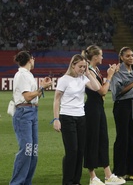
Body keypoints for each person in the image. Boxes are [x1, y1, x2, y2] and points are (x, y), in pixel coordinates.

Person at [53, 54, 101, 185]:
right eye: (80, 66)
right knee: (72, 150)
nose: (82, 69)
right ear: (72, 64)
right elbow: (57, 99)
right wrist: (56, 119)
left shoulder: (83, 78)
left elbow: (97, 88)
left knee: (80, 150)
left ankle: (76, 181)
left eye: (84, 67)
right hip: (67, 117)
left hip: (81, 117)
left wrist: (88, 73)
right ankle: (67, 181)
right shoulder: (64, 79)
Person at [82, 45, 126, 185]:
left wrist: (111, 74)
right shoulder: (87, 71)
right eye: (101, 55)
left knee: (103, 140)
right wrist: (110, 75)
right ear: (95, 57)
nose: (102, 57)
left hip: (98, 108)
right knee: (92, 141)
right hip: (91, 109)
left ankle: (108, 175)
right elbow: (102, 91)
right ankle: (93, 177)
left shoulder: (94, 70)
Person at [10, 51, 52, 185]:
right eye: (33, 58)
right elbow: (28, 96)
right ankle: (17, 183)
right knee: (27, 149)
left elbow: (33, 97)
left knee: (32, 150)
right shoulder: (21, 74)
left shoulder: (28, 75)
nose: (34, 60)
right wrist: (42, 88)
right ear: (30, 60)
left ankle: (26, 182)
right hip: (24, 113)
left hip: (31, 111)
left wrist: (41, 89)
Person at [109, 47, 133, 181]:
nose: (131, 58)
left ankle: (132, 172)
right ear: (122, 57)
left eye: (132, 56)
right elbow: (117, 92)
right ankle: (119, 172)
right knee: (122, 139)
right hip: (122, 106)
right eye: (128, 56)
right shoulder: (117, 72)